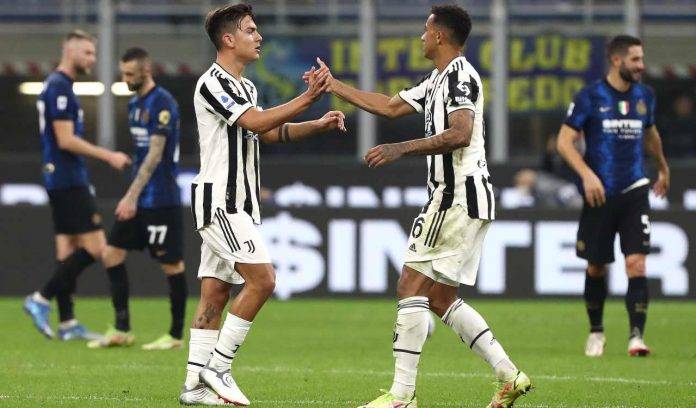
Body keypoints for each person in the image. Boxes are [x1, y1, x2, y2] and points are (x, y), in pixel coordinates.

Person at [305, 5, 531, 408]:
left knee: (409, 285)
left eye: (425, 30)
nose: (420, 37)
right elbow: (389, 106)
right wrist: (333, 85)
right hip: (464, 198)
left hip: (455, 196)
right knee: (440, 299)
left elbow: (460, 133)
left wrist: (400, 148)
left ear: (441, 36)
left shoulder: (461, 75)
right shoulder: (437, 79)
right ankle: (509, 374)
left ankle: (401, 396)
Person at [179, 4, 346, 405]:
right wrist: (308, 97)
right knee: (264, 280)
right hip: (221, 200)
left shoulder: (247, 88)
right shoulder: (211, 82)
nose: (260, 37)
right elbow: (254, 122)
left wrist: (317, 122)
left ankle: (194, 387)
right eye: (251, 30)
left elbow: (270, 133)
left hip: (239, 203)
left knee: (216, 294)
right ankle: (218, 367)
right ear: (228, 39)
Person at [556, 34, 670, 357]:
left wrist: (663, 168)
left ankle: (636, 337)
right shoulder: (590, 97)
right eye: (635, 59)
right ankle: (596, 332)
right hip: (599, 194)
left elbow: (651, 135)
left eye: (641, 59)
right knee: (597, 267)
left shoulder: (645, 95)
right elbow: (564, 142)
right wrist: (587, 175)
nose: (641, 66)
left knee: (636, 263)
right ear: (617, 60)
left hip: (635, 189)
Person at [23, 30, 131, 341]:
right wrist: (108, 155)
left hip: (60, 177)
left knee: (66, 250)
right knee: (95, 247)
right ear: (69, 52)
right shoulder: (59, 87)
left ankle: (67, 322)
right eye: (87, 53)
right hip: (68, 178)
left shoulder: (62, 86)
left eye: (93, 54)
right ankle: (40, 298)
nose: (92, 60)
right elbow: (65, 139)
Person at [87, 47, 187, 351]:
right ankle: (121, 328)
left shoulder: (163, 103)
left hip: (161, 200)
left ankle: (174, 335)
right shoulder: (133, 104)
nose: (125, 78)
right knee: (111, 253)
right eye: (123, 73)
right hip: (141, 197)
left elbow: (156, 155)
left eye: (130, 74)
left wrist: (130, 196)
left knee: (171, 265)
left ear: (147, 71)